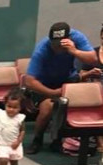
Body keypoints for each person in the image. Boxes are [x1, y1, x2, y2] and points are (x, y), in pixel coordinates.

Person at [24, 22, 97, 154]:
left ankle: (59, 140)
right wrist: (52, 93)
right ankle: (37, 139)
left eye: (61, 45)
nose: (58, 49)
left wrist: (74, 51)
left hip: (67, 79)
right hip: (45, 83)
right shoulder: (42, 49)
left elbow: (92, 59)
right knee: (47, 108)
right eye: (55, 45)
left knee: (74, 105)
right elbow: (29, 81)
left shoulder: (77, 38)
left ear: (68, 40)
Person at [79, 24, 103, 164]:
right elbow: (80, 75)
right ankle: (100, 141)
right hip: (93, 90)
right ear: (101, 35)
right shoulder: (92, 54)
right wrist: (90, 73)